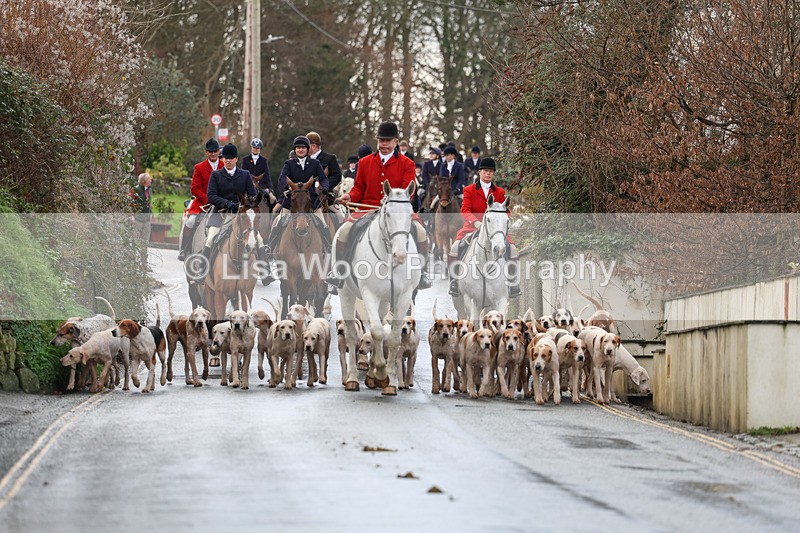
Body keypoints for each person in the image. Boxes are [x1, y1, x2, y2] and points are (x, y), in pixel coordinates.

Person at [328, 121, 431, 293]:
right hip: (367, 209)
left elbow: (409, 190)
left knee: (420, 232)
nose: (383, 144)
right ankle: (339, 272)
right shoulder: (365, 162)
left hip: (398, 212)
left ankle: (422, 272)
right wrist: (349, 196)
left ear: (396, 142)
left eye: (387, 141)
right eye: (381, 140)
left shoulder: (407, 163)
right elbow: (359, 188)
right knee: (344, 231)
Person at [448, 157, 521, 299]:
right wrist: (476, 223)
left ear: (493, 174)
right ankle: (454, 281)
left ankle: (512, 282)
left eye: (491, 171)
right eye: (485, 171)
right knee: (455, 247)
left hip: (495, 230)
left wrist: (502, 223)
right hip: (473, 227)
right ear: (480, 172)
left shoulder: (499, 192)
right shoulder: (469, 190)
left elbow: (505, 211)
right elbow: (465, 210)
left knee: (513, 249)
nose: (488, 174)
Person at [260, 136, 331, 276]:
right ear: (295, 149)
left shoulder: (315, 164)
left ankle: (329, 249)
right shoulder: (289, 164)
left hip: (311, 202)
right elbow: (281, 180)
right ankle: (269, 248)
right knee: (278, 222)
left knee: (323, 223)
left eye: (303, 147)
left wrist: (325, 188)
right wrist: (285, 189)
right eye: (298, 148)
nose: (300, 149)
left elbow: (323, 178)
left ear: (307, 149)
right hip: (292, 202)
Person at [195, 143, 258, 281]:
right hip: (221, 213)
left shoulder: (245, 174)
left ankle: (265, 271)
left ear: (236, 159)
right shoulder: (216, 175)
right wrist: (226, 203)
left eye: (231, 158)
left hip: (241, 214)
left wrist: (248, 203)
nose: (228, 160)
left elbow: (252, 194)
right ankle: (202, 271)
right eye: (225, 158)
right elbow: (211, 196)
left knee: (258, 239)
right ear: (223, 160)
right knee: (211, 239)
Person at [179, 138, 223, 261]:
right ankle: (185, 248)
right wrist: (208, 199)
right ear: (206, 152)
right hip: (203, 202)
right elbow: (195, 188)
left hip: (221, 202)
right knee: (191, 221)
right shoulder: (199, 167)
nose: (213, 154)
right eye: (210, 152)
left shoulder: (224, 166)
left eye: (215, 151)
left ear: (219, 151)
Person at [307, 131, 342, 204]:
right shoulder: (304, 159)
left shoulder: (330, 158)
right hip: (306, 196)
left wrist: (324, 188)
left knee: (339, 215)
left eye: (306, 146)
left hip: (325, 196)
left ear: (313, 146)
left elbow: (337, 176)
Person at [419, 146, 442, 212]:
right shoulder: (426, 164)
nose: (431, 155)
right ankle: (419, 209)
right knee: (419, 193)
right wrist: (426, 184)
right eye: (430, 154)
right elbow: (424, 175)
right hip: (428, 184)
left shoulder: (442, 164)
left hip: (438, 185)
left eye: (433, 154)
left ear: (437, 155)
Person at [133, 172, 153, 243]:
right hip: (137, 219)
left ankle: (144, 254)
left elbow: (149, 203)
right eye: (149, 179)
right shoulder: (136, 189)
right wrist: (132, 216)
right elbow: (130, 203)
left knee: (145, 242)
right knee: (134, 241)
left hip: (146, 220)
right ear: (144, 181)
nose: (151, 180)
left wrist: (151, 214)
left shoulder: (149, 190)